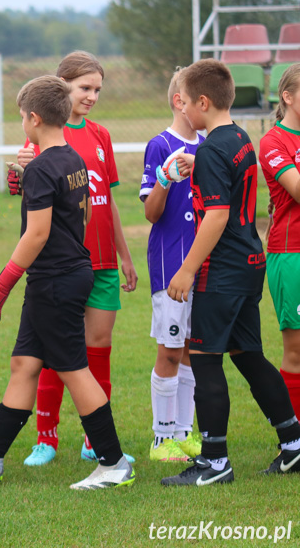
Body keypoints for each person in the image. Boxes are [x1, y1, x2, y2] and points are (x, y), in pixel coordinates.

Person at [0, 75, 134, 490]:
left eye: (22, 117)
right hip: (64, 275)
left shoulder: (42, 167)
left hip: (56, 281)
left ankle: (113, 464)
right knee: (24, 364)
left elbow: (38, 233)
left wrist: (1, 284)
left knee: (74, 370)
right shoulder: (72, 158)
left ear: (33, 118)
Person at [162, 59, 300, 486]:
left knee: (205, 362)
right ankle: (294, 445)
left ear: (203, 102)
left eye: (185, 102)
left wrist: (187, 270)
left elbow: (216, 216)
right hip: (250, 262)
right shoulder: (239, 137)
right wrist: (196, 162)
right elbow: (227, 180)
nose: (182, 109)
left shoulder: (210, 150)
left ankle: (214, 462)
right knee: (250, 357)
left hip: (219, 271)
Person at [13, 51, 138, 467]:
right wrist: (17, 170)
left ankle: (92, 438)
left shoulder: (100, 135)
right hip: (64, 264)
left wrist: (124, 254)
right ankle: (45, 438)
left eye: (98, 89)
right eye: (85, 88)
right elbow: (25, 195)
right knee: (55, 352)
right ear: (61, 86)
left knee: (97, 348)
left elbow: (109, 201)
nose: (92, 96)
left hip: (100, 261)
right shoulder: (40, 136)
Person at [140, 69, 203, 462]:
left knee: (193, 350)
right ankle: (162, 439)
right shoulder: (160, 144)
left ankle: (185, 433)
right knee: (169, 349)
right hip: (171, 264)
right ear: (181, 101)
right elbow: (151, 212)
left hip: (205, 264)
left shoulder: (211, 143)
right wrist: (165, 177)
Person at [259, 63, 300, 419]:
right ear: (287, 97)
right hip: (291, 254)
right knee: (297, 349)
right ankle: (294, 440)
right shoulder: (274, 141)